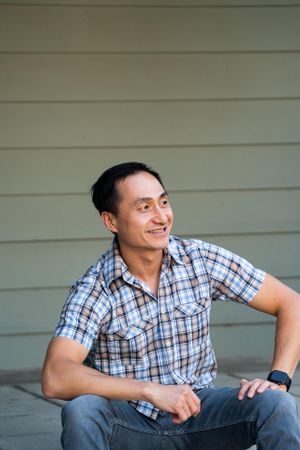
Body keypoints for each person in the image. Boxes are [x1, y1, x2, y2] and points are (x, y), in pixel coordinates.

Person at [42, 162, 300, 450]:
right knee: (82, 410)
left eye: (163, 202)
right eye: (145, 208)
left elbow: (290, 302)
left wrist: (278, 380)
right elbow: (56, 375)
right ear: (111, 221)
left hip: (202, 417)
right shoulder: (95, 288)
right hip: (129, 426)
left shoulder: (199, 260)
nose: (161, 216)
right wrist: (150, 391)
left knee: (276, 403)